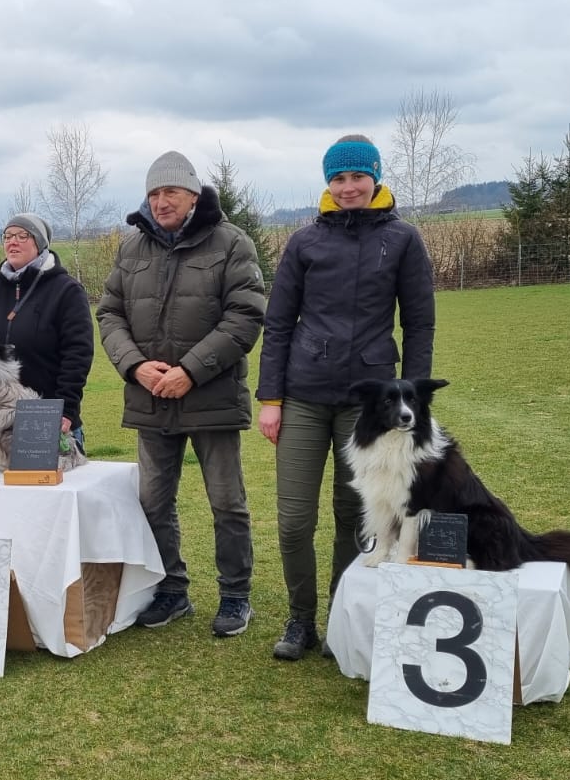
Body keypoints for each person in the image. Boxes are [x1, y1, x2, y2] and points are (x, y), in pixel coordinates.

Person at [256, 134, 436, 660]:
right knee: (294, 519)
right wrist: (271, 398)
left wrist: (413, 397)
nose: (348, 187)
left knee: (353, 514)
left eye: (358, 176)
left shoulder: (403, 240)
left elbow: (420, 323)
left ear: (375, 178)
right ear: (327, 184)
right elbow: (278, 323)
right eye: (338, 178)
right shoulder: (303, 242)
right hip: (304, 396)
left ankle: (342, 617)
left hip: (370, 406)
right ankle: (300, 619)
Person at [96, 151, 267, 638]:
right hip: (151, 398)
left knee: (227, 503)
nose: (161, 201)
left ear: (193, 195)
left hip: (211, 398)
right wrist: (135, 366)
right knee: (152, 503)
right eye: (153, 193)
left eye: (170, 191)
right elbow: (109, 313)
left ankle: (235, 595)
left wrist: (191, 371)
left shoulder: (232, 243)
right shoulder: (131, 248)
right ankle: (171, 590)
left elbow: (245, 317)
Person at [0, 213, 94, 448]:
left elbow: (78, 354)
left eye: (22, 236)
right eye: (7, 236)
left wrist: (67, 408)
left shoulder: (66, 291)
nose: (12, 242)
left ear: (39, 243)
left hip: (49, 418)